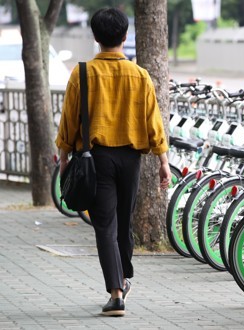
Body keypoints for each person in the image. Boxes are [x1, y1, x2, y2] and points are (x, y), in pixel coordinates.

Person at [55, 7, 171, 317]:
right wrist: (163, 159)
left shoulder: (82, 74)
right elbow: (153, 121)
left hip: (96, 158)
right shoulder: (140, 75)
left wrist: (64, 157)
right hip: (131, 159)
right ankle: (124, 277)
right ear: (125, 36)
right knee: (123, 221)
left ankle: (117, 291)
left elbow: (69, 121)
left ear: (95, 37)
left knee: (104, 225)